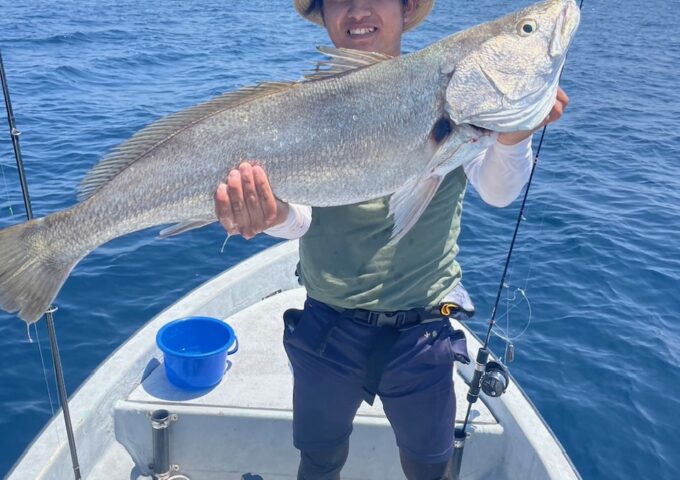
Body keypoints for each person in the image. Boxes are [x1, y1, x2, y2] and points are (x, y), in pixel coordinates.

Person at [214, 1, 568, 479]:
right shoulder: (303, 105)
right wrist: (270, 214)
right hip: (327, 327)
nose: (358, 8)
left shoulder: (450, 95)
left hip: (422, 332)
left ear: (405, 10)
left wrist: (514, 135)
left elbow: (497, 191)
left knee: (430, 468)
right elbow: (301, 220)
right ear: (323, 14)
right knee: (318, 459)